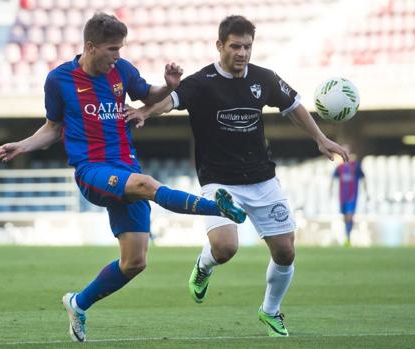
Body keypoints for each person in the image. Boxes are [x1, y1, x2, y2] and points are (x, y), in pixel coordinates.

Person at [0, 13, 246, 342]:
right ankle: (219, 209)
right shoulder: (59, 80)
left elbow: (146, 94)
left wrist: (166, 87)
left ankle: (78, 303)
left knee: (135, 261)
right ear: (90, 46)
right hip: (92, 170)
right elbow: (53, 127)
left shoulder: (121, 71)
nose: (118, 55)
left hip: (125, 166)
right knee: (146, 185)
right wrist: (22, 146)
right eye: (112, 49)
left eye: (121, 49)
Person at [125, 15, 350, 337]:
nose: (242, 53)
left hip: (262, 177)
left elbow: (295, 106)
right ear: (220, 46)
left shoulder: (264, 79)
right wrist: (145, 111)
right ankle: (203, 266)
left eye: (247, 46)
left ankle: (270, 311)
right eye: (235, 46)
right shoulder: (202, 82)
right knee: (225, 248)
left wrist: (320, 138)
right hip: (219, 180)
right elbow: (169, 102)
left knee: (286, 251)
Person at [330, 150, 367, 247]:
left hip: (352, 196)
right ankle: (347, 235)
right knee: (345, 217)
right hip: (342, 197)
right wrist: (330, 190)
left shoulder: (356, 166)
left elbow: (363, 177)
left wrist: (366, 193)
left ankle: (348, 237)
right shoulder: (340, 168)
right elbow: (333, 178)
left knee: (350, 216)